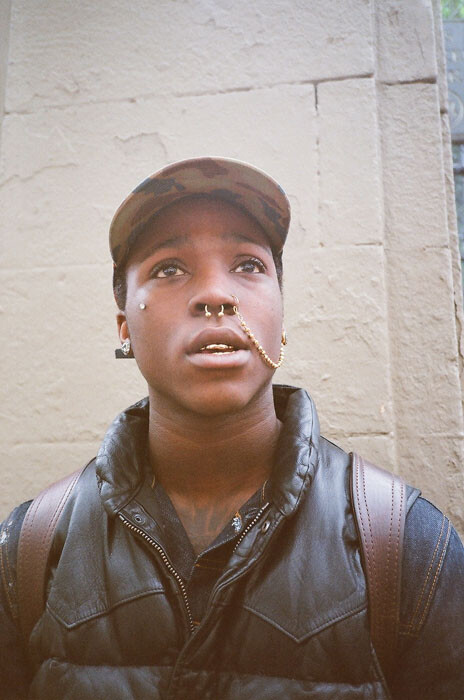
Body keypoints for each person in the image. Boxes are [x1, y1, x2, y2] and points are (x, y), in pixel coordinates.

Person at [0, 157, 463, 699]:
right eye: (169, 269)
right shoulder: (30, 551)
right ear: (124, 328)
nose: (216, 295)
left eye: (247, 264)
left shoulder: (407, 547)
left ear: (280, 314)